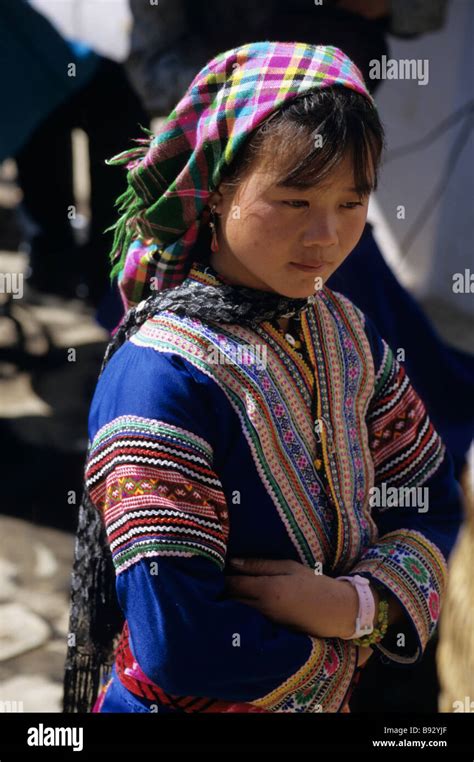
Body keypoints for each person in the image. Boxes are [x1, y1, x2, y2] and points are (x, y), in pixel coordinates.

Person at [63, 41, 463, 714]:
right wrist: (345, 654)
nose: (326, 236)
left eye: (350, 202)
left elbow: (427, 494)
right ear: (218, 193)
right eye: (294, 199)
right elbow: (180, 641)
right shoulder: (161, 375)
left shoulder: (345, 331)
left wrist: (354, 607)